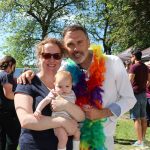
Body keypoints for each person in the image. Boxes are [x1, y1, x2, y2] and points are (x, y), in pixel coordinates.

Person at [17, 24, 136, 150]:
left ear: (88, 42)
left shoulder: (112, 63)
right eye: (70, 44)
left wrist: (102, 113)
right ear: (65, 48)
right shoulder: (65, 68)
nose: (76, 49)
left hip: (103, 140)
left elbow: (129, 99)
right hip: (73, 139)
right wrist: (29, 73)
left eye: (80, 42)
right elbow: (47, 74)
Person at [14, 38, 85, 150]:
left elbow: (81, 117)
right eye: (46, 55)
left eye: (56, 56)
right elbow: (25, 121)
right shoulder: (27, 83)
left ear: (61, 59)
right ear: (39, 57)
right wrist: (62, 122)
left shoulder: (68, 85)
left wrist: (65, 105)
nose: (52, 60)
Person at [34, 70, 80, 150]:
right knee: (63, 138)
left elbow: (76, 106)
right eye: (60, 86)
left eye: (67, 86)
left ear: (71, 85)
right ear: (54, 84)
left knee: (78, 134)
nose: (64, 89)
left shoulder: (72, 93)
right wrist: (38, 110)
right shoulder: (54, 93)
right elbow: (45, 101)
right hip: (58, 124)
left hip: (71, 121)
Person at [129, 49, 149, 147]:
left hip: (135, 94)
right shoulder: (146, 67)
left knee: (136, 118)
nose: (130, 58)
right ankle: (143, 139)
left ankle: (140, 141)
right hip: (144, 94)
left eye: (131, 56)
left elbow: (129, 81)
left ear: (134, 56)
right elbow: (149, 81)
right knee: (143, 118)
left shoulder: (134, 67)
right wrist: (144, 86)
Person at [0, 56, 20, 150]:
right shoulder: (6, 75)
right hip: (9, 114)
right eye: (14, 66)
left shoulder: (1, 74)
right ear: (11, 64)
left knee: (2, 139)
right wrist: (21, 98)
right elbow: (8, 94)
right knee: (12, 140)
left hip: (2, 112)